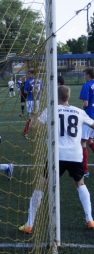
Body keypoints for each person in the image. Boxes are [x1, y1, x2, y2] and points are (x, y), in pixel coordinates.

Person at [19, 85, 94, 233]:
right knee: (80, 184)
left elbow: (34, 126)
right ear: (68, 97)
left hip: (56, 155)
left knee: (40, 186)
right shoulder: (79, 112)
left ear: (56, 97)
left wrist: (36, 114)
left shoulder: (50, 110)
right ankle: (90, 219)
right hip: (74, 154)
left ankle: (29, 224)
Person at [79, 66, 94, 178]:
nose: (84, 77)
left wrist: (80, 112)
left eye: (85, 75)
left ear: (88, 75)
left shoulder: (87, 85)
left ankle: (85, 171)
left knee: (82, 142)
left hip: (89, 117)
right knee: (89, 140)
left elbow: (86, 104)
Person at [22, 69, 43, 139]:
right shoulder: (39, 80)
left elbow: (25, 91)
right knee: (35, 117)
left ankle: (25, 132)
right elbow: (42, 89)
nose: (28, 76)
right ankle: (37, 132)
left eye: (28, 74)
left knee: (31, 117)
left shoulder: (28, 81)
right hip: (37, 100)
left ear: (32, 74)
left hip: (30, 100)